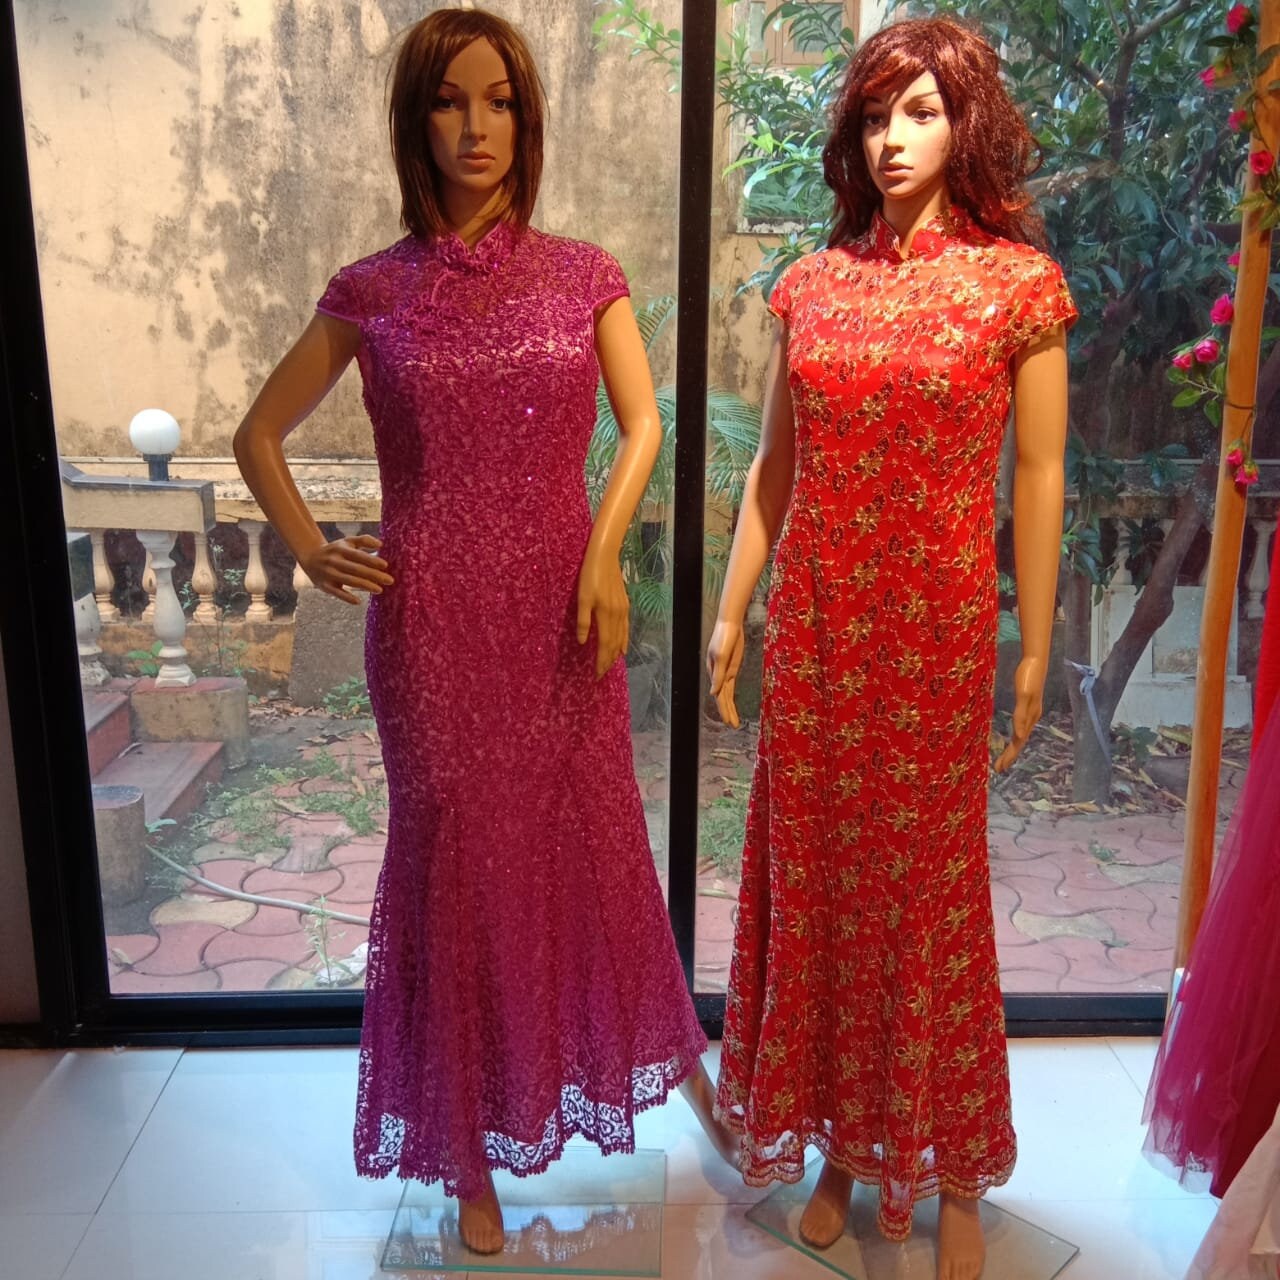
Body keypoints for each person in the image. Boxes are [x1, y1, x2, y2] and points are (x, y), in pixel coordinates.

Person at [232, 8, 707, 1256]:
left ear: (526, 121)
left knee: (580, 845)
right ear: (415, 122)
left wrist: (603, 552)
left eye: (498, 101)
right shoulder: (372, 291)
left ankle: (630, 1073)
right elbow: (256, 433)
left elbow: (643, 424)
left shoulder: (583, 273)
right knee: (450, 862)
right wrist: (308, 543)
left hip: (562, 616)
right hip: (431, 623)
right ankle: (464, 1155)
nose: (476, 127)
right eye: (449, 101)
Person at [700, 18, 1076, 1280]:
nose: (892, 139)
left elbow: (1038, 471)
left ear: (964, 122)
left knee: (926, 901)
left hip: (933, 632)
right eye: (873, 116)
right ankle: (841, 1152)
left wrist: (1030, 643)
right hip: (818, 629)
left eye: (918, 111)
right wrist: (732, 608)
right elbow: (771, 466)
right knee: (822, 893)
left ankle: (950, 1164)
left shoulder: (1016, 287)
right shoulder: (810, 285)